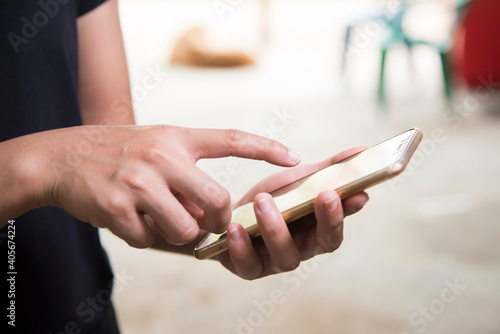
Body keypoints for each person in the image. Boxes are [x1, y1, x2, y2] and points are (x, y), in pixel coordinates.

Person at [0, 0, 369, 332]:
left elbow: (112, 161)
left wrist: (225, 227)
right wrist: (47, 166)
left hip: (78, 304)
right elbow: (82, 160)